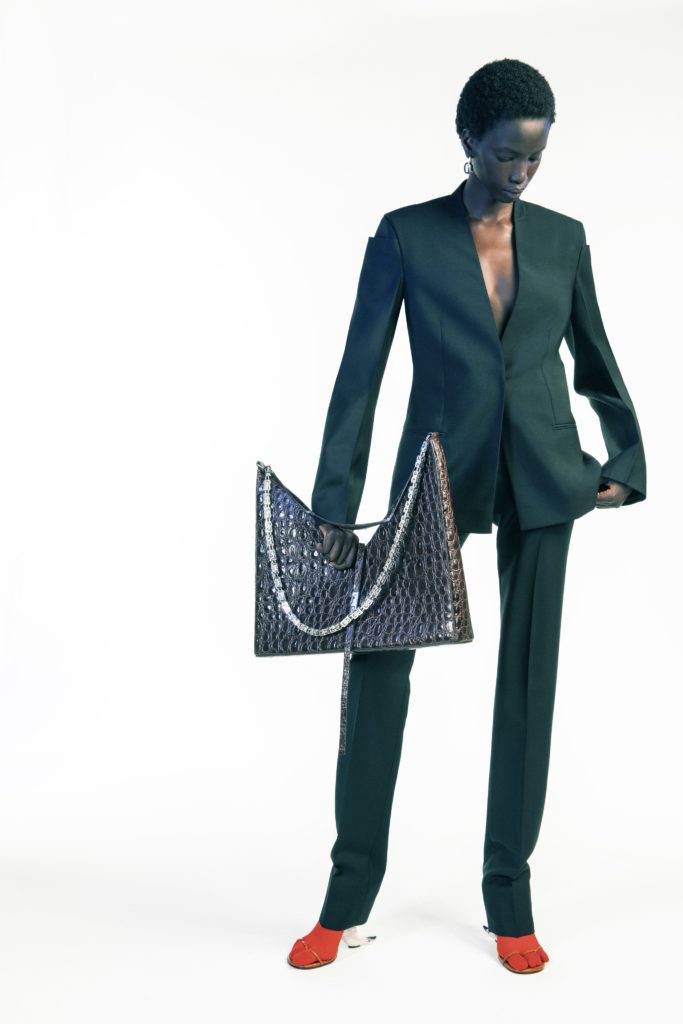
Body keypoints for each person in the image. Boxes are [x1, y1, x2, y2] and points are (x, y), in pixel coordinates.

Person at [286, 58, 647, 974]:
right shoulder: (406, 234)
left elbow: (595, 360)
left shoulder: (563, 238)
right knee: (377, 671)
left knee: (527, 683)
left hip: (544, 477)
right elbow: (359, 375)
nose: (519, 172)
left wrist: (623, 462)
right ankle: (345, 897)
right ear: (467, 141)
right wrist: (334, 506)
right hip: (435, 475)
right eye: (504, 155)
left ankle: (508, 900)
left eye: (535, 156)